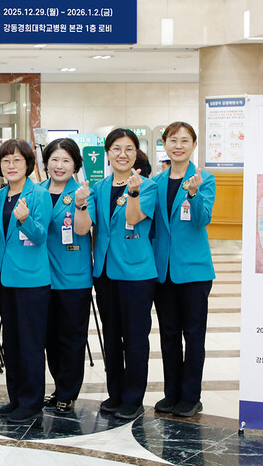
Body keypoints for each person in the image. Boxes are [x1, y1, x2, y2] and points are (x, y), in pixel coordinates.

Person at [90, 128, 158, 421]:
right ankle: (115, 392)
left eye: (129, 149)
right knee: (111, 334)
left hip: (136, 272)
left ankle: (133, 398)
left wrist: (132, 192)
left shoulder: (148, 186)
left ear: (137, 154)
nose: (122, 154)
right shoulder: (100, 187)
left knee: (134, 336)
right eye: (116, 149)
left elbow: (133, 218)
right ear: (107, 153)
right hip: (105, 270)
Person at [151, 122, 215, 419]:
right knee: (168, 335)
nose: (178, 145)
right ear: (164, 143)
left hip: (193, 272)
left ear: (194, 144)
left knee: (194, 335)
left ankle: (191, 396)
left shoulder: (205, 179)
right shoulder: (157, 181)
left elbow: (202, 220)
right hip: (163, 271)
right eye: (173, 140)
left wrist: (193, 195)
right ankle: (171, 393)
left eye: (184, 140)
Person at [0, 139, 51, 424]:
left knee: (29, 342)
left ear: (28, 164)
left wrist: (26, 220)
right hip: (4, 278)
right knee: (11, 341)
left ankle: (31, 401)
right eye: (6, 161)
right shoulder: (0, 195)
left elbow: (40, 236)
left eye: (17, 160)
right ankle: (15, 397)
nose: (11, 166)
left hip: (31, 280)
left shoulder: (38, 195)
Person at [39, 138, 93, 417]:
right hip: (40, 277)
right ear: (45, 162)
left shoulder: (83, 192)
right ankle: (59, 387)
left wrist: (81, 206)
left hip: (73, 278)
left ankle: (68, 393)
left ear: (75, 165)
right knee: (49, 337)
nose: (59, 166)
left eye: (66, 161)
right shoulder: (34, 191)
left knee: (71, 337)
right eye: (54, 160)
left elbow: (83, 231)